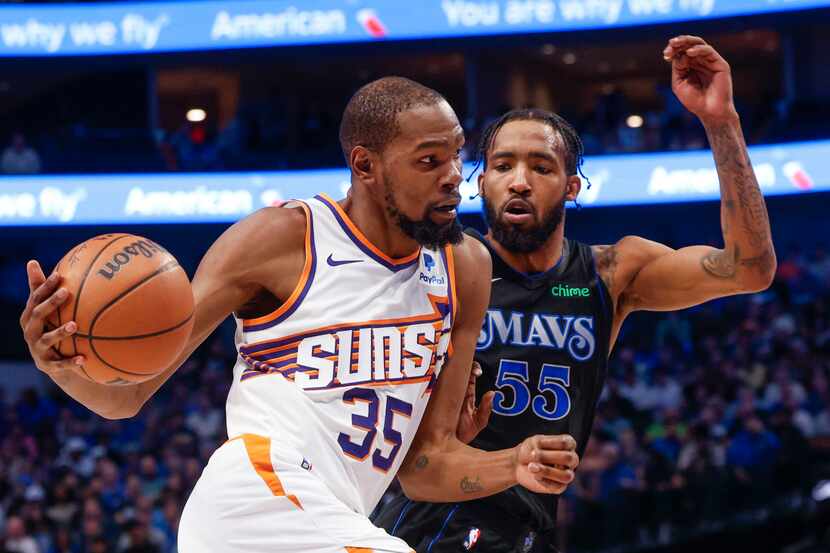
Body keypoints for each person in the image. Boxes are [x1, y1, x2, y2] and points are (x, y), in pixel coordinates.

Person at [19, 77, 580, 553]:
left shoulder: (466, 268)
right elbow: (125, 396)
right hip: (254, 502)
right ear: (365, 164)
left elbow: (425, 464)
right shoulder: (281, 240)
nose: (454, 175)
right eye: (430, 160)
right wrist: (59, 364)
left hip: (333, 521)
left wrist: (512, 464)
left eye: (457, 155)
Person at [374, 35, 776, 552]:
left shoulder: (612, 271)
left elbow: (750, 269)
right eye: (502, 166)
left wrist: (721, 122)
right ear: (481, 183)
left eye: (541, 167)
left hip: (528, 523)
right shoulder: (446, 262)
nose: (519, 181)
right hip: (426, 516)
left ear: (571, 187)